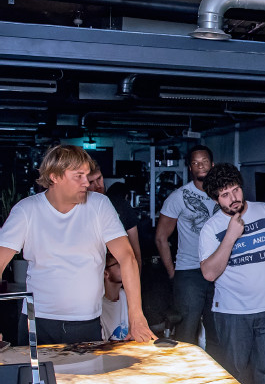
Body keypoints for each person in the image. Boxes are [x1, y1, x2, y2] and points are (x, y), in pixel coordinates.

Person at [0, 145, 153, 345]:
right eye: (78, 176)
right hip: (38, 321)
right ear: (54, 176)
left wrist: (136, 315)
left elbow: (127, 258)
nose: (86, 182)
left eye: (87, 175)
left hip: (87, 322)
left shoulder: (99, 205)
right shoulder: (26, 210)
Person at [199, 163, 265, 384]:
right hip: (232, 313)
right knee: (237, 377)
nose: (233, 198)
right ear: (216, 199)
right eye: (225, 195)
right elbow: (209, 273)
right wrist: (230, 236)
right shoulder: (211, 228)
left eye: (236, 190)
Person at [155, 145, 220, 352]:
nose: (201, 166)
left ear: (212, 165)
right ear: (190, 168)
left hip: (220, 272)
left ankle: (215, 371)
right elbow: (161, 237)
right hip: (190, 272)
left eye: (205, 161)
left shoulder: (223, 194)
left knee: (218, 332)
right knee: (186, 334)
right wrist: (173, 273)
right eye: (195, 163)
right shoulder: (179, 197)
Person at [87, 161, 142, 272]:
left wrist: (137, 280)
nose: (98, 186)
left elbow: (135, 254)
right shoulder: (78, 210)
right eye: (91, 182)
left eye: (99, 178)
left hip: (118, 275)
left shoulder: (120, 205)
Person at [101, 251, 129, 341]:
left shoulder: (125, 295)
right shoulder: (98, 304)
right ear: (106, 273)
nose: (126, 267)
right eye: (119, 264)